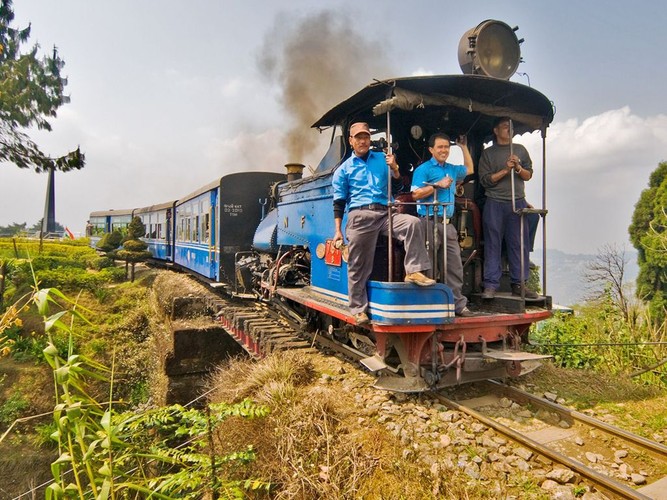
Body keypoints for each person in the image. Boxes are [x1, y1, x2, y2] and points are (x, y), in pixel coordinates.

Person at [332, 122, 435, 326]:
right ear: (351, 141)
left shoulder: (383, 159)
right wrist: (337, 230)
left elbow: (398, 187)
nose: (363, 141)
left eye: (366, 137)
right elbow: (339, 202)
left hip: (386, 212)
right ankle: (358, 309)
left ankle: (414, 270)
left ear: (370, 140)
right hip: (359, 216)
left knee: (413, 223)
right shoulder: (343, 170)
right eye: (358, 137)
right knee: (357, 264)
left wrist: (396, 169)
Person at [411, 132, 474, 317]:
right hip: (428, 221)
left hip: (448, 224)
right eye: (440, 147)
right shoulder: (423, 170)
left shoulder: (453, 169)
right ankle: (428, 305)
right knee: (428, 265)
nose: (444, 150)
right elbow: (415, 195)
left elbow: (470, 169)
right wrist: (437, 185)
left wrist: (462, 146)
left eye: (447, 147)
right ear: (431, 149)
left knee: (454, 265)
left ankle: (458, 305)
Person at [478, 116, 538, 299]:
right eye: (505, 127)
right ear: (496, 131)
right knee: (492, 244)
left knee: (518, 244)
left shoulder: (520, 150)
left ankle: (519, 284)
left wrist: (518, 167)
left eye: (511, 127)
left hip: (517, 201)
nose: (509, 129)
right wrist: (506, 169)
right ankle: (490, 285)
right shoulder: (488, 154)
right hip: (494, 202)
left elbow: (528, 175)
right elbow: (486, 181)